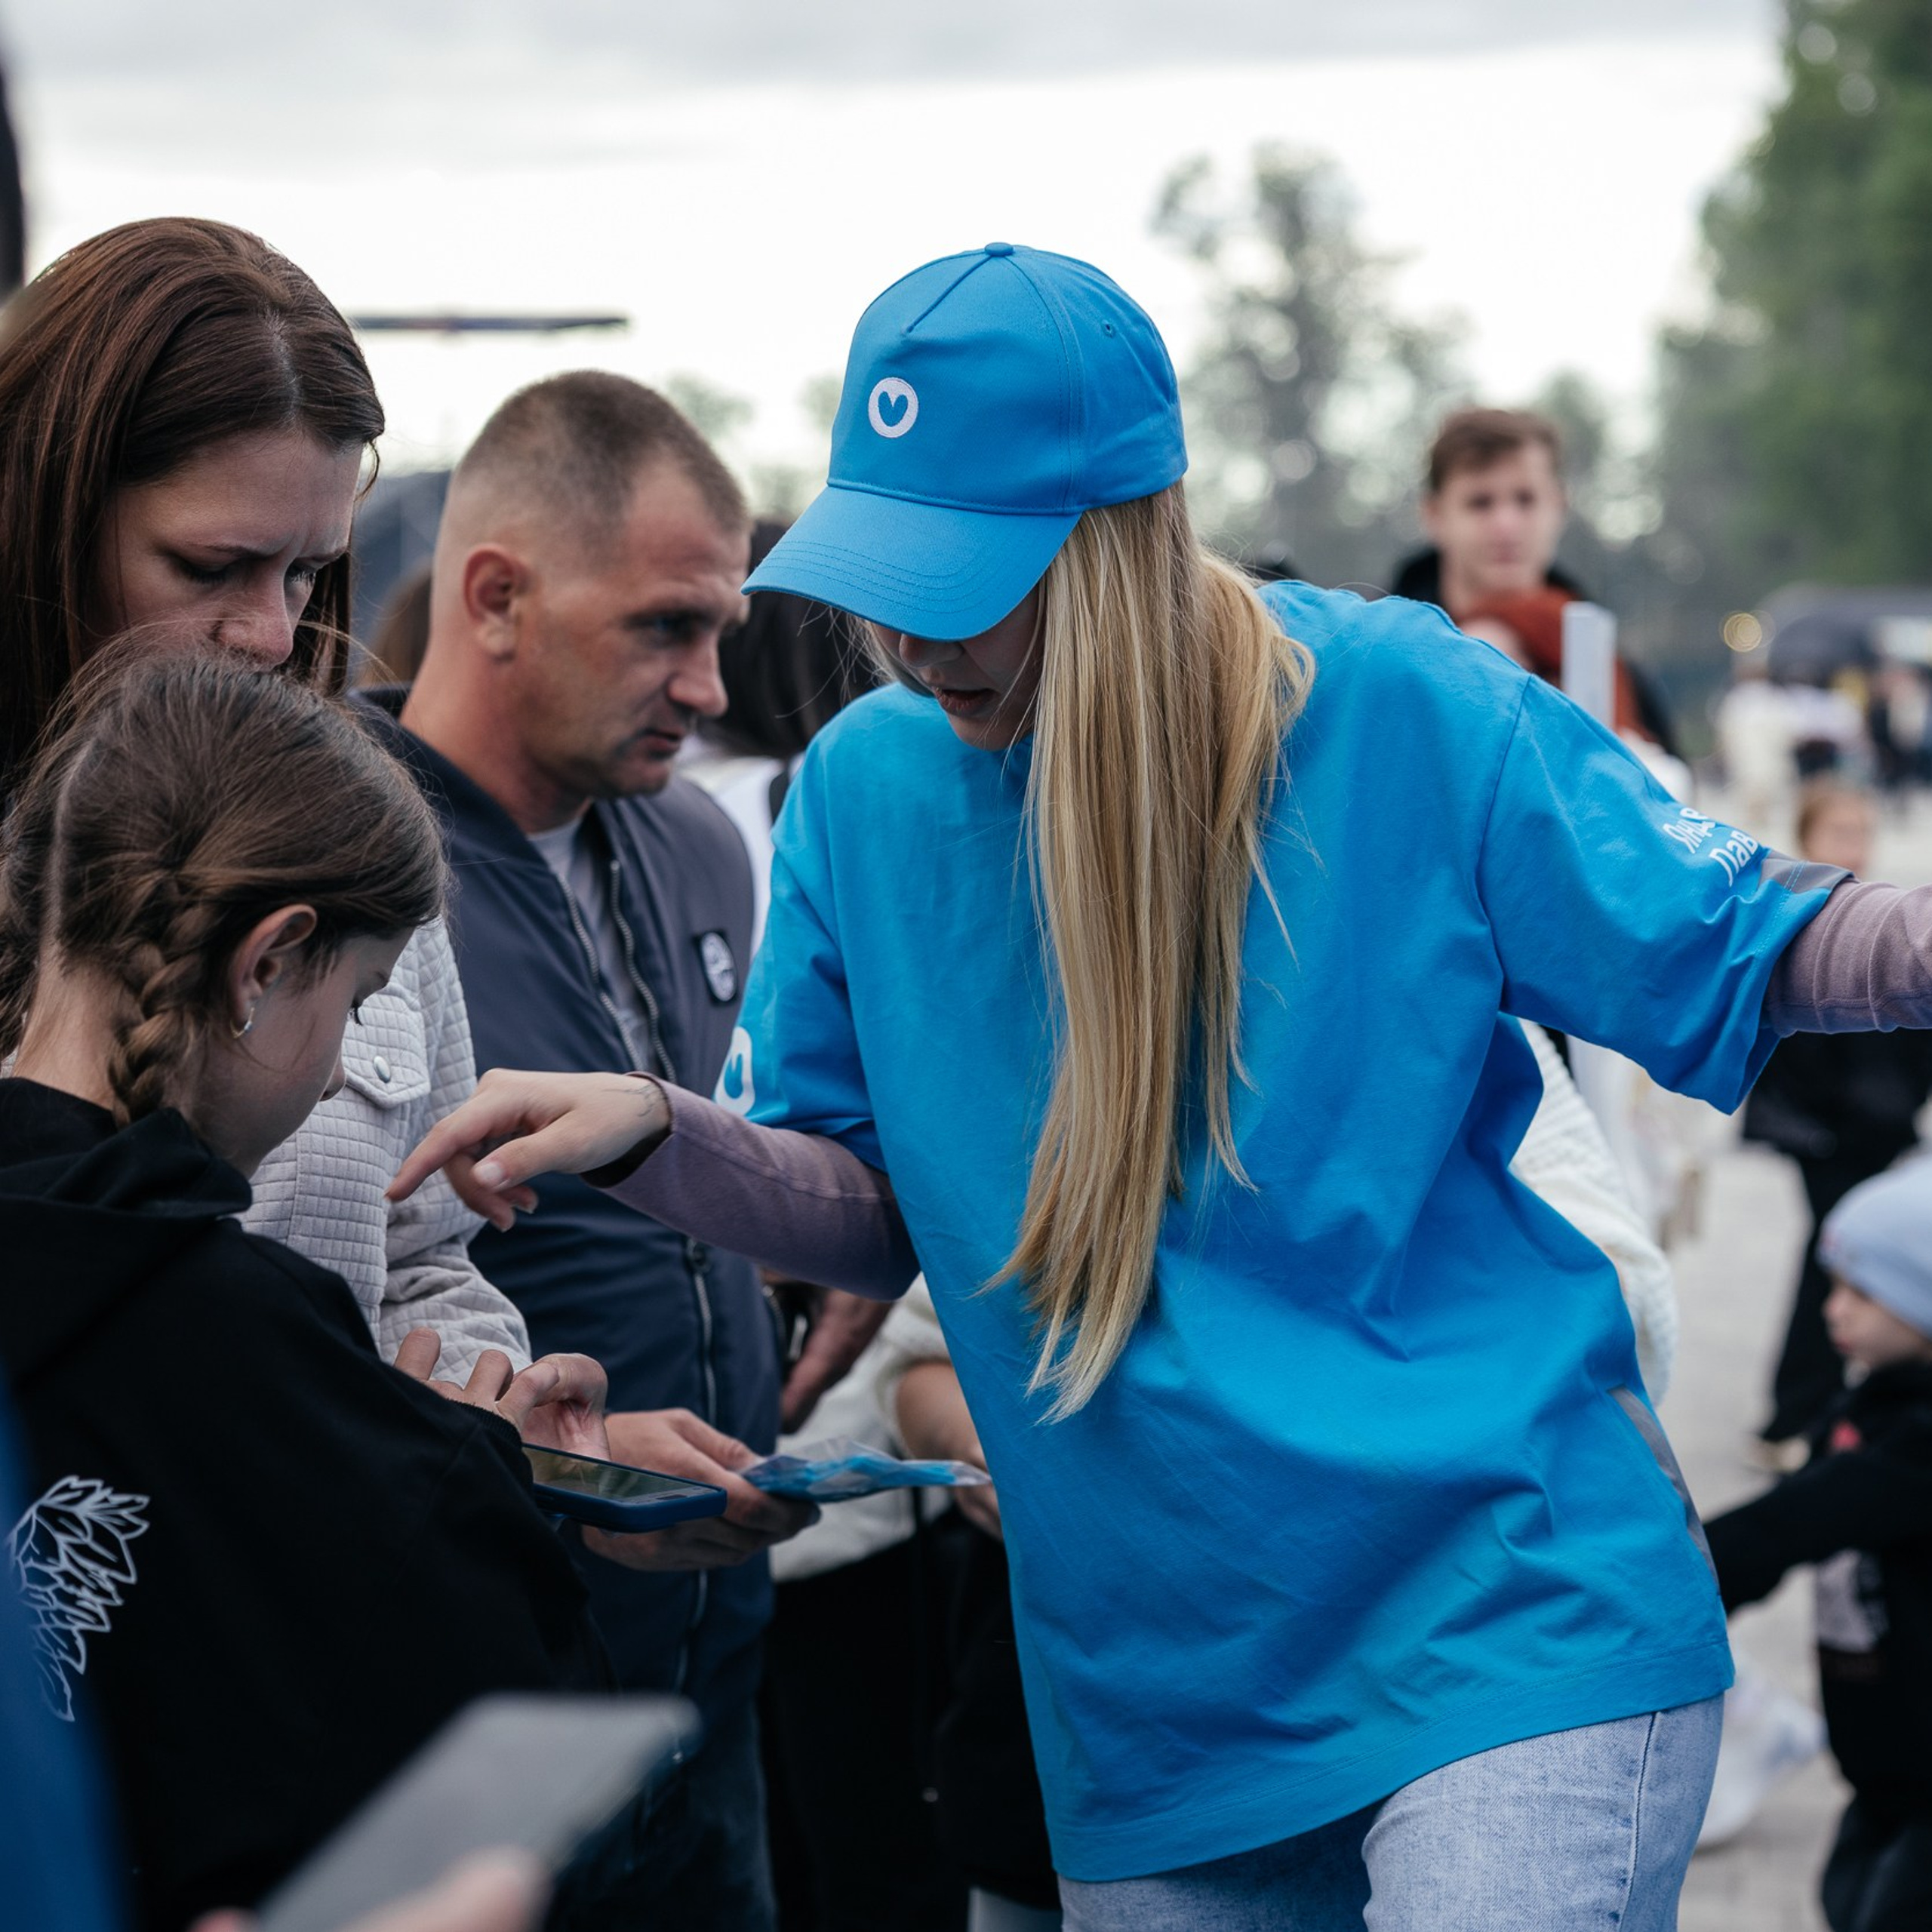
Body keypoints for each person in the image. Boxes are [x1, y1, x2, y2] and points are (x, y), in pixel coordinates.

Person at [392, 243, 1932, 1926]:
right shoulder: (864, 788)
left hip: (1504, 1617)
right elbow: (889, 1215)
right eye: (879, 564)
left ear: (1118, 534)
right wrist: (658, 1138)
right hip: (1154, 1708)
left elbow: (1761, 939)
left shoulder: (1398, 702)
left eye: (962, 573)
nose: (904, 633)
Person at [0, 654, 616, 1930]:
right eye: (362, 999)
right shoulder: (247, 1334)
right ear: (270, 963)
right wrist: (467, 1467)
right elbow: (506, 1757)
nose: (344, 1078)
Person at [365, 372, 817, 1931]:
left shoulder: (701, 842)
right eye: (662, 628)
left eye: (722, 634)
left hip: (714, 1658)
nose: (708, 686)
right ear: (494, 596)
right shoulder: (330, 862)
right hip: (470, 1689)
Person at [0, 215, 530, 1379]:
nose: (273, 633)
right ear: (46, 517)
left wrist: (489, 1416)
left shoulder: (347, 829)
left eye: (307, 571)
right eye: (209, 567)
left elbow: (428, 1256)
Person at [1706, 1161, 1932, 1932]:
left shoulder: (1915, 1443)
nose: (1833, 1311)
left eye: (1863, 1292)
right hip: (1884, 1768)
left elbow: (1793, 1523)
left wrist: (1682, 1579)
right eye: (1830, 1284)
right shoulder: (1869, 1400)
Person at [1744, 780, 1932, 1456]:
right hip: (1823, 1132)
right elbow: (1786, 1047)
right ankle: (1795, 1417)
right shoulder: (1791, 920)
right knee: (1838, 1262)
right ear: (1809, 835)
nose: (1855, 842)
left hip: (1879, 1128)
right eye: (1840, 831)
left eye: (1862, 829)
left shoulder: (1885, 919)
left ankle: (1817, 1415)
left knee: (1851, 1265)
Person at [1389, 406, 1676, 753]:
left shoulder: (1617, 669)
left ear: (1559, 506)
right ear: (1434, 516)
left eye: (1526, 499)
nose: (1506, 525)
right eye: (1480, 503)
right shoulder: (1388, 659)